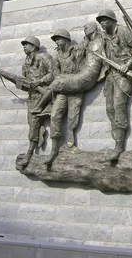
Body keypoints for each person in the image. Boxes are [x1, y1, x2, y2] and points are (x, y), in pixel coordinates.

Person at [97, 8, 132, 162]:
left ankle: (119, 146)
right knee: (109, 108)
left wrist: (128, 65)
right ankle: (116, 134)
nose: (102, 23)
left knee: (118, 107)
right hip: (111, 74)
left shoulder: (123, 32)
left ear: (113, 21)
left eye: (105, 20)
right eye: (101, 21)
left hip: (124, 74)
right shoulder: (103, 36)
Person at [43, 29, 85, 166]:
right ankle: (54, 149)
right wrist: (63, 79)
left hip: (74, 89)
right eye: (55, 40)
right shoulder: (57, 56)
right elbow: (55, 75)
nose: (56, 42)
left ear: (66, 39)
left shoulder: (77, 51)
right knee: (55, 115)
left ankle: (71, 144)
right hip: (62, 90)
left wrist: (70, 80)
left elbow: (82, 70)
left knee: (73, 116)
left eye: (58, 39)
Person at [17, 36, 54, 168]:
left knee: (47, 123)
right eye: (24, 45)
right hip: (33, 98)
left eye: (26, 44)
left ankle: (34, 153)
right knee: (32, 125)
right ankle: (31, 151)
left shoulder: (45, 58)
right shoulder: (25, 63)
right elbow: (26, 81)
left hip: (46, 97)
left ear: (33, 46)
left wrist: (39, 82)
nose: (24, 47)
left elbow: (53, 74)